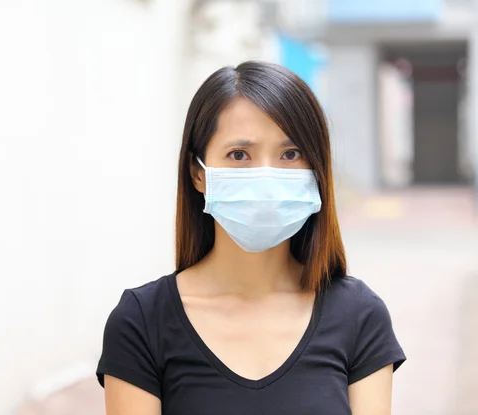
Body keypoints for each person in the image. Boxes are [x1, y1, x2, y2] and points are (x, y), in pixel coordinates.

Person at [96, 61, 406, 415]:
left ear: (316, 168)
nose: (266, 175)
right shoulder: (141, 322)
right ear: (198, 173)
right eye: (239, 155)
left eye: (291, 154)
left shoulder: (360, 315)